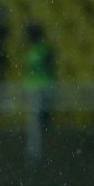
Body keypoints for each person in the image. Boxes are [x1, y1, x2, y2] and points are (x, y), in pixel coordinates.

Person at [23, 21, 55, 168]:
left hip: (42, 88)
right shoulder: (30, 49)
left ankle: (37, 153)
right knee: (34, 123)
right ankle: (33, 153)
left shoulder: (44, 49)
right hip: (32, 88)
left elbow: (50, 69)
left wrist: (50, 89)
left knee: (39, 121)